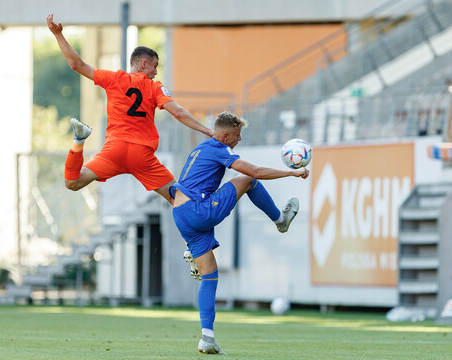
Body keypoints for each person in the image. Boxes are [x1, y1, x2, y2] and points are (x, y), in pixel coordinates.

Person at [171, 111, 309, 354]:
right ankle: (280, 220)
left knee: (209, 275)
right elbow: (254, 171)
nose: (240, 139)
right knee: (247, 180)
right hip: (199, 210)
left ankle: (207, 337)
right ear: (225, 136)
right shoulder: (219, 149)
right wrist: (292, 172)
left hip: (181, 214)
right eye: (237, 135)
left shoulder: (200, 149)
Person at [46, 14, 213, 204]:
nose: (156, 72)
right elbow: (179, 112)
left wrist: (58, 35)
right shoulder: (155, 87)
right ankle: (201, 227)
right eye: (155, 66)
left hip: (114, 149)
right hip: (141, 154)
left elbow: (77, 64)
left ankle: (78, 141)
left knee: (72, 181)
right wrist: (208, 130)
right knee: (180, 200)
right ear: (143, 64)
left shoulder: (113, 78)